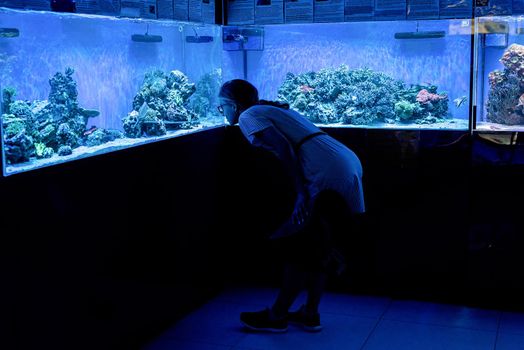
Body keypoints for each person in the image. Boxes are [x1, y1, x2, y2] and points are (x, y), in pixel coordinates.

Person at [218, 79, 365, 333]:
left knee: (300, 246)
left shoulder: (249, 115)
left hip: (326, 169)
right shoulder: (270, 109)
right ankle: (310, 312)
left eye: (223, 106)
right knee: (319, 245)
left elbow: (282, 147)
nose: (223, 112)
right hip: (344, 160)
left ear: (233, 103)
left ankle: (277, 316)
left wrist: (300, 193)